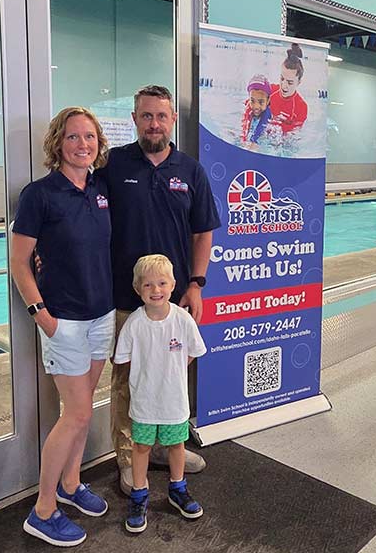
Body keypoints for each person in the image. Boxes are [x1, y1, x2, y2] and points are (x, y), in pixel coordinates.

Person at [96, 85, 220, 495]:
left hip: (175, 303)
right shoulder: (112, 165)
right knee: (127, 382)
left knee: (172, 379)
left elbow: (203, 233)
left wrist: (196, 285)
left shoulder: (190, 170)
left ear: (173, 121)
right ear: (134, 120)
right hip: (124, 301)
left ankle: (169, 449)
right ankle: (131, 464)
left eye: (161, 116)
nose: (154, 123)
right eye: (146, 116)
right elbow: (84, 214)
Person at [11, 107, 114, 547]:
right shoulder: (39, 195)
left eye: (89, 137)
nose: (82, 144)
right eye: (73, 137)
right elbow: (19, 261)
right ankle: (43, 509)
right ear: (58, 143)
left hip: (101, 315)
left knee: (82, 406)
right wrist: (42, 316)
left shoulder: (99, 189)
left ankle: (71, 484)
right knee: (76, 414)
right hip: (64, 323)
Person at [114, 254, 206, 533]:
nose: (156, 290)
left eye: (162, 283)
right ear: (137, 289)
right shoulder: (134, 324)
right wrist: (148, 375)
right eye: (148, 285)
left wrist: (171, 371)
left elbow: (192, 352)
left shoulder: (183, 319)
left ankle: (177, 490)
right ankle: (139, 494)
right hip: (144, 402)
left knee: (176, 446)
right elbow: (124, 359)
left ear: (173, 284)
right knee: (140, 447)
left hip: (174, 401)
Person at [269, 43, 308, 134]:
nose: (284, 85)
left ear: (299, 82)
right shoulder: (270, 90)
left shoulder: (301, 107)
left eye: (290, 82)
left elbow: (293, 135)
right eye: (282, 79)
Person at [240, 74, 272, 145]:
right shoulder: (248, 107)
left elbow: (260, 129)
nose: (256, 106)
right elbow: (245, 127)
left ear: (268, 100)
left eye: (261, 102)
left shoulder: (267, 113)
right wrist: (243, 139)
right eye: (252, 100)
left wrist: (253, 141)